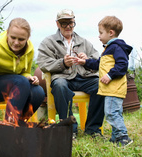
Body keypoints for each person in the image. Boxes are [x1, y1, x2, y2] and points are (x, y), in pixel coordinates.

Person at [37, 9, 105, 138]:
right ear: (57, 24)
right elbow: (43, 63)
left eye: (71, 23)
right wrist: (62, 63)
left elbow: (98, 61)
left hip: (84, 77)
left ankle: (93, 129)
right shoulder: (48, 42)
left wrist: (87, 60)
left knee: (100, 85)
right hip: (62, 78)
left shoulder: (84, 42)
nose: (68, 26)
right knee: (60, 86)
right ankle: (69, 129)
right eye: (64, 23)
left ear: (74, 23)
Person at [74, 16, 133, 146]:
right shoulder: (108, 49)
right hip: (109, 90)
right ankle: (115, 138)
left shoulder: (117, 47)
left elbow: (122, 65)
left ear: (110, 33)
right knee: (113, 113)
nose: (99, 36)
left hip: (115, 89)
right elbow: (98, 64)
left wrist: (110, 75)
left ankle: (123, 137)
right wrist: (84, 62)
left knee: (112, 113)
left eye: (101, 33)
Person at [0, 17, 45, 125]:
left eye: (21, 39)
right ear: (7, 33)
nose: (16, 42)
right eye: (13, 37)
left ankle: (19, 125)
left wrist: (29, 77)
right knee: (21, 81)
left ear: (28, 38)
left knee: (38, 91)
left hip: (18, 84)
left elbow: (24, 72)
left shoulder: (29, 50)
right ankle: (8, 127)